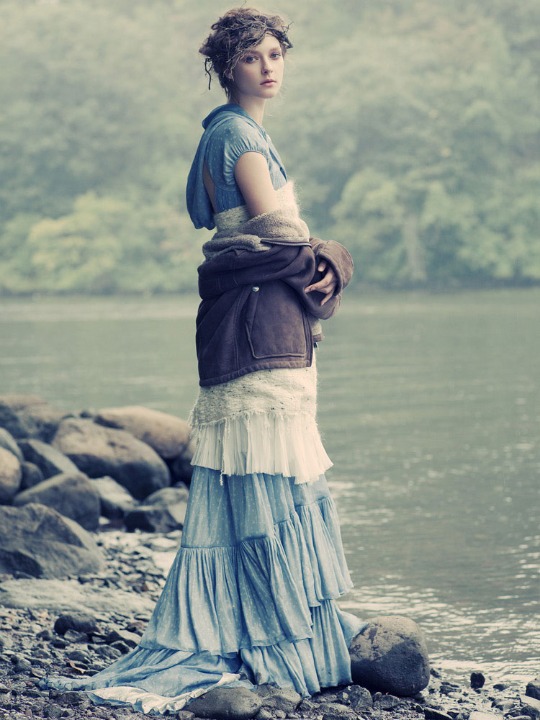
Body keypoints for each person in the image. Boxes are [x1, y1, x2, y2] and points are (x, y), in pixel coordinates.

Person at [40, 8, 363, 715]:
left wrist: (317, 256)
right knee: (266, 480)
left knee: (263, 481)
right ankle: (277, 637)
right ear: (226, 68)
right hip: (257, 333)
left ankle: (276, 626)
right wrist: (333, 255)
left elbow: (270, 243)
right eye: (251, 56)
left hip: (255, 328)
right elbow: (282, 238)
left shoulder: (238, 135)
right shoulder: (237, 137)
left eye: (275, 53)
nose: (268, 67)